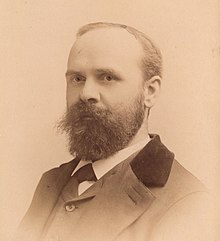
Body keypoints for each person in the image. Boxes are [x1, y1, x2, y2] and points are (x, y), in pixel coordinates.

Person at [15, 22, 212, 241]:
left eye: (107, 77)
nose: (86, 93)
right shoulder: (50, 183)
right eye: (77, 79)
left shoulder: (187, 203)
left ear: (150, 91)